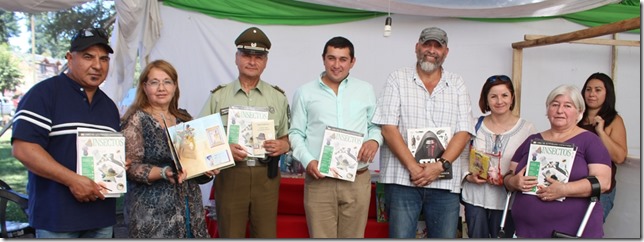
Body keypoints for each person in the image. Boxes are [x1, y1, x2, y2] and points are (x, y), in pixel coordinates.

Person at [11, 27, 120, 238]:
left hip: (102, 218)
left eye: (104, 59)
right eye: (88, 57)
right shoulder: (44, 94)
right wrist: (73, 180)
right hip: (57, 219)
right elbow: (23, 149)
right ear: (70, 58)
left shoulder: (109, 106)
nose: (97, 65)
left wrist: (118, 163)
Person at [371, 26, 475, 238]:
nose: (431, 50)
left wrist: (440, 166)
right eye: (427, 44)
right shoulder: (397, 79)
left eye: (438, 46)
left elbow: (464, 131)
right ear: (417, 47)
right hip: (402, 180)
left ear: (446, 52)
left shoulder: (457, 83)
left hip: (445, 182)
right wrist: (412, 167)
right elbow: (388, 127)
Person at [198, 26, 290, 238]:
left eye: (258, 57)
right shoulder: (218, 97)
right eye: (247, 55)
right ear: (236, 58)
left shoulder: (278, 97)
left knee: (266, 235)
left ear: (265, 61)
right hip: (230, 174)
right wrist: (223, 147)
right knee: (230, 234)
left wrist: (284, 145)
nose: (252, 61)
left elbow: (287, 135)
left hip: (266, 176)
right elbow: (199, 137)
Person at [289, 36, 382, 238]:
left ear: (352, 62)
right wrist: (308, 160)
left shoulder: (365, 90)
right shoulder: (305, 93)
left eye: (343, 59)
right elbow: (295, 133)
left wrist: (374, 141)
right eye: (332, 58)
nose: (337, 65)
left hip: (357, 180)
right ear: (323, 59)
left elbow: (374, 126)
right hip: (319, 180)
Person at [121, 59, 217, 238]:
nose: (161, 88)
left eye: (167, 82)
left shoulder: (185, 119)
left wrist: (207, 168)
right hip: (152, 213)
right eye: (154, 82)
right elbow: (131, 168)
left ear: (175, 86)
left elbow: (195, 167)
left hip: (189, 208)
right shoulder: (136, 120)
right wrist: (165, 172)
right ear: (144, 87)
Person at [504, 84, 612, 238]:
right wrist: (513, 182)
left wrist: (564, 189)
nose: (560, 110)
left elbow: (603, 182)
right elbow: (509, 175)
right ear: (548, 110)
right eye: (554, 105)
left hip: (573, 232)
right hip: (526, 232)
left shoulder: (590, 141)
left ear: (579, 112)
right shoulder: (532, 140)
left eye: (568, 106)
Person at [461, 75, 536, 238]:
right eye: (493, 96)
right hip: (475, 198)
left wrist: (512, 179)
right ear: (486, 100)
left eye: (504, 95)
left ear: (512, 98)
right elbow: (461, 155)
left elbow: (530, 164)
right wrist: (468, 176)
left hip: (508, 201)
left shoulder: (527, 128)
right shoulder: (473, 124)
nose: (499, 101)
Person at [577, 72, 627, 223]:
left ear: (607, 93)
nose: (592, 94)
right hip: (573, 186)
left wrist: (601, 131)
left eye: (598, 90)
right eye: (588, 89)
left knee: (589, 230)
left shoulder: (614, 120)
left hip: (599, 190)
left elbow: (619, 157)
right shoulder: (576, 117)